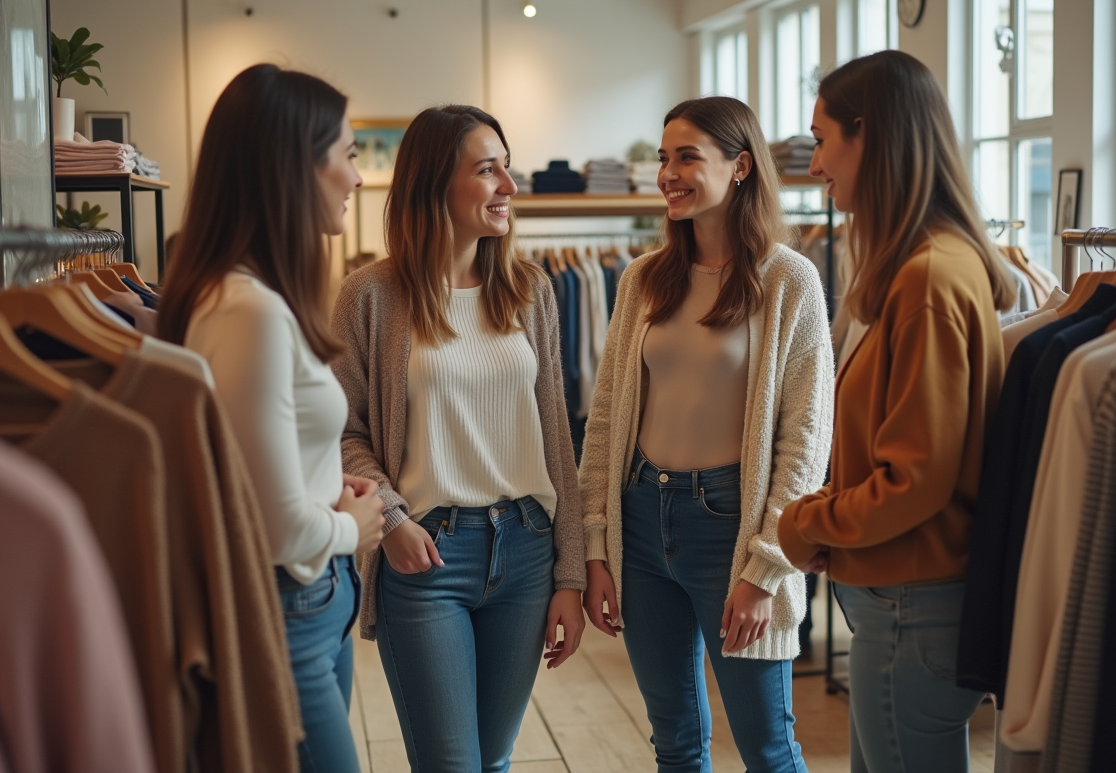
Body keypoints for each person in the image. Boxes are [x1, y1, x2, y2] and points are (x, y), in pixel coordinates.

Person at [579, 96, 835, 773]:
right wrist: (597, 545)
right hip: (640, 521)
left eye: (687, 156)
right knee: (676, 745)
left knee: (768, 748)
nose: (669, 173)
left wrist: (765, 568)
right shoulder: (642, 280)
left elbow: (805, 442)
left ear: (741, 166)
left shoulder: (789, 282)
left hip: (732, 528)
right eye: (665, 158)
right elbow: (605, 419)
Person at [778, 50, 1016, 773]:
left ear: (869, 135)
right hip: (904, 593)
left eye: (822, 140)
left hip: (912, 599)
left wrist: (805, 520)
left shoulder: (929, 278)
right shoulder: (931, 264)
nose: (816, 166)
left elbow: (916, 477)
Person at [330, 104, 586, 773]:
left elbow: (556, 436)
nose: (508, 185)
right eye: (487, 169)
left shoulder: (529, 291)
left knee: (494, 759)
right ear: (434, 184)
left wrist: (570, 573)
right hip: (428, 555)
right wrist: (389, 520)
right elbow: (344, 433)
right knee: (451, 764)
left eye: (508, 167)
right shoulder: (370, 296)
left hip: (528, 551)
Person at [158, 64, 386, 773]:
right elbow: (270, 522)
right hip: (290, 602)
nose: (356, 177)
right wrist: (356, 526)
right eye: (347, 155)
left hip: (312, 600)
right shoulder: (245, 309)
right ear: (294, 166)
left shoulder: (249, 297)